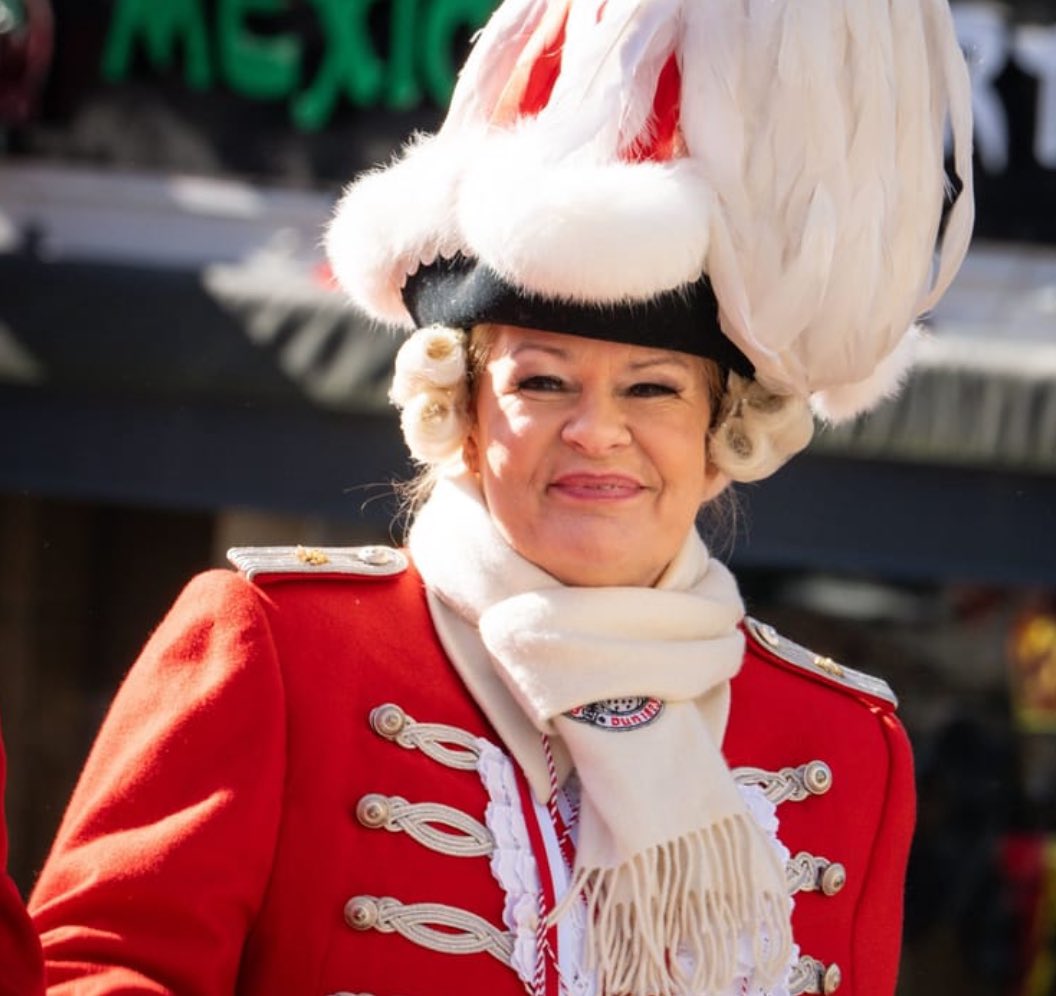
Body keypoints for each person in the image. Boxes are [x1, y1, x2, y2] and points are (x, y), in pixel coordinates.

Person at [21, 0, 973, 993]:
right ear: (461, 412)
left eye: (653, 389)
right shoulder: (279, 647)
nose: (597, 430)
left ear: (723, 433)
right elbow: (102, 968)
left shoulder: (842, 741)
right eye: (543, 381)